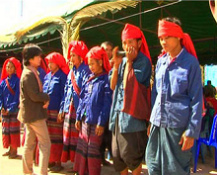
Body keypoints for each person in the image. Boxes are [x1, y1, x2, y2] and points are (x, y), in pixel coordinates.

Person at [145, 17, 203, 175]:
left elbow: (197, 100)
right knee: (153, 164)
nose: (163, 42)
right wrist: (152, 120)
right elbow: (156, 94)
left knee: (175, 169)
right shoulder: (161, 63)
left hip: (177, 127)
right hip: (157, 124)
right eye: (161, 38)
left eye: (167, 37)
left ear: (178, 36)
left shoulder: (191, 64)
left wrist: (191, 132)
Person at [109, 23, 152, 175]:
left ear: (139, 43)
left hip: (133, 121)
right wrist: (115, 67)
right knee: (118, 158)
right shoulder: (121, 61)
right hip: (117, 118)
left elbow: (131, 85)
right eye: (124, 43)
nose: (127, 46)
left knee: (133, 159)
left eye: (130, 42)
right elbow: (113, 86)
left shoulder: (143, 61)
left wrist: (129, 63)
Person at [73, 46, 112, 175]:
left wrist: (101, 123)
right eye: (89, 64)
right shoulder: (89, 79)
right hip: (85, 121)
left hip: (96, 123)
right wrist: (78, 117)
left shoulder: (106, 80)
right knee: (83, 149)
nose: (90, 67)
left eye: (92, 64)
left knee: (93, 151)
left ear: (100, 62)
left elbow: (106, 104)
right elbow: (83, 99)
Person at [18, 43, 51, 175]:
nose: (40, 59)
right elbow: (34, 95)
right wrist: (46, 96)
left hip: (30, 114)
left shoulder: (30, 72)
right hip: (35, 114)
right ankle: (42, 172)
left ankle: (28, 172)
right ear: (30, 58)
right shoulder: (28, 75)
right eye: (38, 57)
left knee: (30, 143)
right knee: (45, 144)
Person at [58, 41, 91, 172]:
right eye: (70, 55)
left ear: (81, 56)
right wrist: (62, 108)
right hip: (69, 109)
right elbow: (66, 91)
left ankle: (81, 166)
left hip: (79, 110)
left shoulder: (86, 71)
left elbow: (85, 93)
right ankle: (75, 164)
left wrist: (82, 112)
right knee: (71, 138)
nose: (71, 58)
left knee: (80, 139)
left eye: (73, 55)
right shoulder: (71, 72)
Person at [43, 52, 69, 172]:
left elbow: (65, 95)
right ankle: (51, 160)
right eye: (48, 62)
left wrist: (62, 110)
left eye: (51, 62)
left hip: (56, 111)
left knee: (57, 137)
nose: (49, 64)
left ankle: (58, 161)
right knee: (47, 137)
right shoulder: (47, 76)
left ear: (58, 63)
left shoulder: (62, 76)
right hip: (45, 112)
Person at [0, 57, 22, 158]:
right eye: (7, 67)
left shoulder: (18, 81)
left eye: (11, 67)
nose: (9, 69)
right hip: (5, 110)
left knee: (13, 130)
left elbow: (18, 96)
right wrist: (1, 107)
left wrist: (11, 108)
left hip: (14, 110)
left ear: (15, 68)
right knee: (6, 130)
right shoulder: (3, 82)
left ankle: (14, 150)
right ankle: (9, 149)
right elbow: (1, 96)